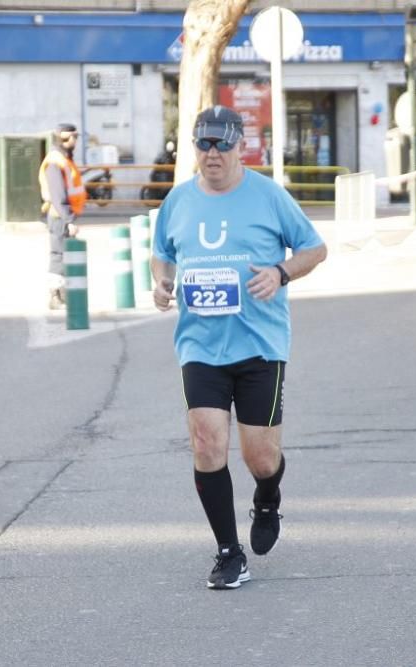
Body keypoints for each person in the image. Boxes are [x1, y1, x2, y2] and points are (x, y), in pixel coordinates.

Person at [150, 105, 327, 590]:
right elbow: (161, 253)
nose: (211, 153)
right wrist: (162, 283)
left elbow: (314, 248)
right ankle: (230, 552)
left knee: (261, 457)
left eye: (221, 143)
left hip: (260, 345)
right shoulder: (179, 200)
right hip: (200, 345)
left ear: (239, 145)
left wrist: (281, 272)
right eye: (203, 143)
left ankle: (267, 497)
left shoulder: (269, 197)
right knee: (207, 443)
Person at [39, 123, 85, 309]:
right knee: (58, 254)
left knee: (63, 254)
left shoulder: (63, 158)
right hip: (60, 216)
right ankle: (55, 296)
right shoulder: (55, 161)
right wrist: (69, 220)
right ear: (66, 138)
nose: (76, 141)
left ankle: (62, 294)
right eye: (74, 137)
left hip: (62, 215)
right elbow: (58, 195)